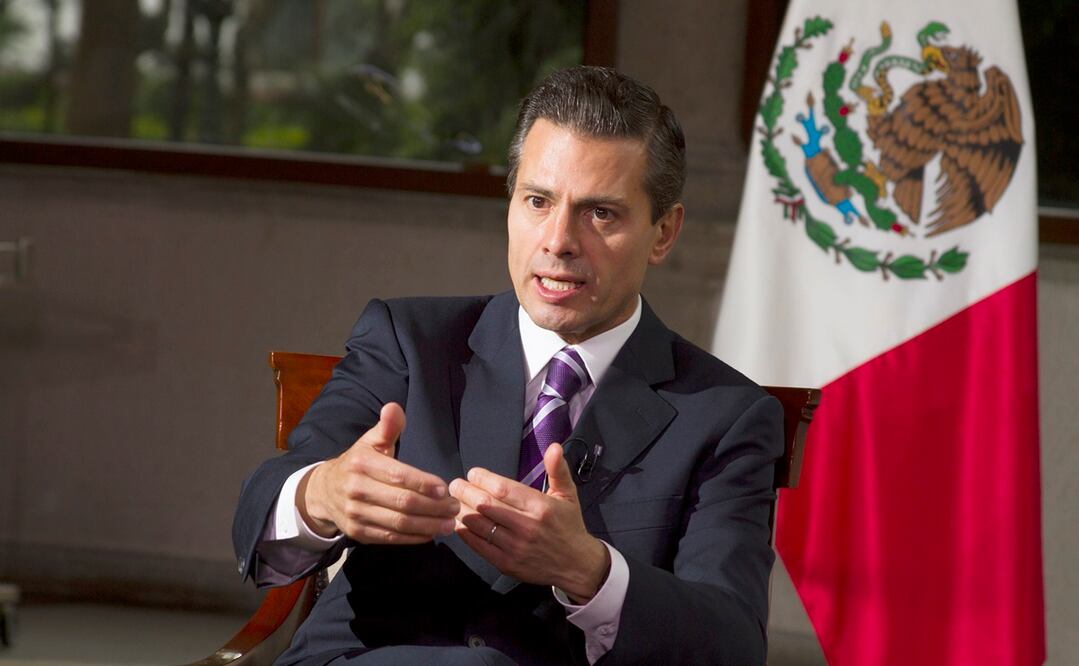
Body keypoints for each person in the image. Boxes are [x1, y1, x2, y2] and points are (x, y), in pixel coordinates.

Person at [232, 66, 783, 666]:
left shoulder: (724, 414)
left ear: (663, 233)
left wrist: (589, 571)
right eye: (538, 201)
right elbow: (260, 523)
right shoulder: (410, 341)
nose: (558, 239)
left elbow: (730, 644)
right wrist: (324, 493)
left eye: (600, 213)